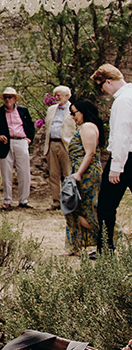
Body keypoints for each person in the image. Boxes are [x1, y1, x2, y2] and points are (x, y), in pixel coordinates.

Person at [94, 64, 132, 253]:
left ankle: (105, 252)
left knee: (105, 207)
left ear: (108, 81)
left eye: (102, 86)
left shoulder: (122, 100)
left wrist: (116, 166)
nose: (103, 91)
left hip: (125, 159)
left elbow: (122, 136)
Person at [65, 98, 102, 258]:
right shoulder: (84, 127)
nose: (72, 116)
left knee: (86, 209)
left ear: (83, 111)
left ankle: (111, 237)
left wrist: (79, 173)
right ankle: (78, 245)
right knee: (75, 207)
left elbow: (90, 153)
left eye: (74, 113)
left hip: (87, 174)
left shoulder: (87, 127)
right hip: (80, 171)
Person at [0, 86, 35, 208]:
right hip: (5, 143)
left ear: (15, 99)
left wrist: (29, 139)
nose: (7, 99)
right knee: (6, 172)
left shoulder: (23, 111)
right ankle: (7, 200)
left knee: (24, 171)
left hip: (21, 141)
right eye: (5, 97)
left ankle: (23, 200)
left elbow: (30, 126)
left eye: (10, 97)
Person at [41, 86, 74, 209]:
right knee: (53, 174)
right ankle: (56, 201)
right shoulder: (51, 109)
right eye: (55, 95)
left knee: (67, 174)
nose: (56, 97)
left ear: (67, 96)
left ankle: (69, 201)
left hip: (66, 144)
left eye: (59, 95)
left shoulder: (73, 109)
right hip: (52, 144)